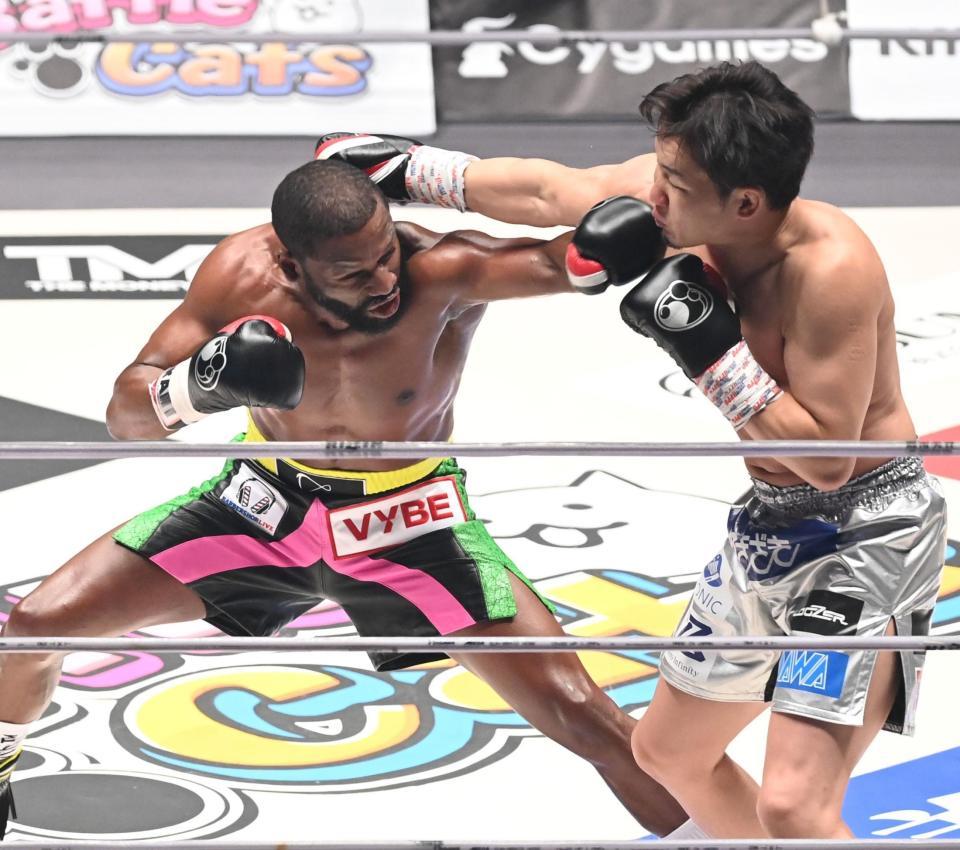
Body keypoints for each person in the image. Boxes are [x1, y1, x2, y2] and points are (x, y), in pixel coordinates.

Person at [318, 61, 948, 839]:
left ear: (745, 203)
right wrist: (408, 171)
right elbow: (547, 190)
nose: (653, 196)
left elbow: (827, 461)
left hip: (866, 533)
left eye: (674, 184)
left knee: (795, 804)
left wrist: (710, 351)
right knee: (668, 753)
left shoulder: (830, 270)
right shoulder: (682, 197)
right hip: (769, 526)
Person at [0, 159, 697, 840]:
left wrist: (608, 250)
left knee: (583, 716)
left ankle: (714, 835)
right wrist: (199, 387)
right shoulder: (240, 276)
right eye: (354, 273)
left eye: (386, 253)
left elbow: (557, 263)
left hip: (410, 522)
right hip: (261, 507)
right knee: (32, 630)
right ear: (290, 265)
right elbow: (127, 418)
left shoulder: (440, 270)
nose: (385, 281)